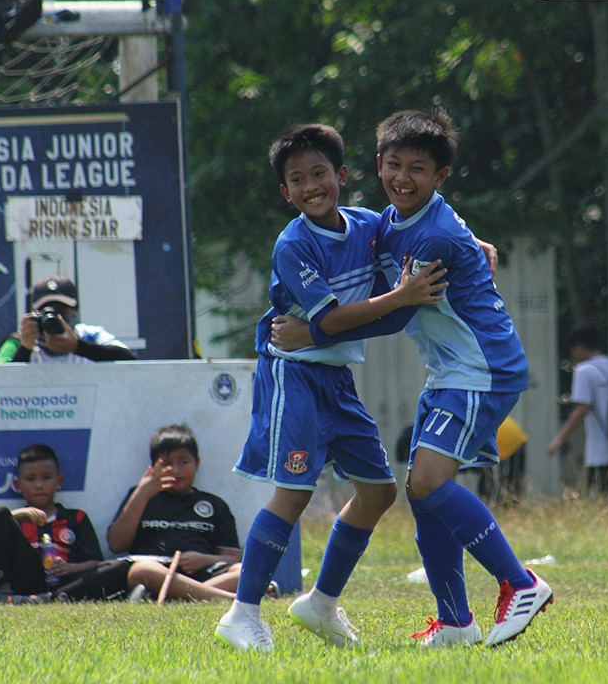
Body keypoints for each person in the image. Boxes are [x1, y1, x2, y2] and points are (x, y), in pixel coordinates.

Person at [273, 110, 552, 648]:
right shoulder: (393, 219)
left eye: (417, 169)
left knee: (426, 482)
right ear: (378, 163)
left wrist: (312, 333)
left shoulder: (433, 236)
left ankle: (521, 583)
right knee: (422, 494)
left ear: (440, 177)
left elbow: (398, 313)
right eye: (394, 165)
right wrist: (477, 243)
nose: (403, 178)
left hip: (482, 370)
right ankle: (455, 623)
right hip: (451, 371)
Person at [214, 123, 449, 653]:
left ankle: (320, 604)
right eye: (297, 179)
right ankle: (241, 613)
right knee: (295, 492)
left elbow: (423, 227)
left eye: (319, 173)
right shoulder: (293, 245)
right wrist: (402, 295)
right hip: (292, 376)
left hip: (336, 378)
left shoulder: (368, 224)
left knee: (379, 491)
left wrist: (471, 242)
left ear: (341, 175)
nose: (310, 186)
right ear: (286, 192)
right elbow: (333, 320)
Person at [0, 443, 130, 602]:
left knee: (120, 568)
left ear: (59, 481)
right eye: (30, 479)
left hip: (68, 583)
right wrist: (13, 516)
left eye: (46, 478)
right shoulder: (14, 521)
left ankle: (52, 599)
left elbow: (95, 563)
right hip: (26, 583)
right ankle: (6, 597)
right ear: (17, 485)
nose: (39, 485)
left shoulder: (77, 517)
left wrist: (69, 568)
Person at [108, 424, 246, 604]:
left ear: (197, 463)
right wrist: (141, 494)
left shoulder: (215, 504)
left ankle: (179, 595)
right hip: (156, 570)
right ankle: (227, 598)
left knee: (243, 572)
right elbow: (116, 544)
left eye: (183, 462)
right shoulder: (140, 496)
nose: (176, 470)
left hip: (204, 574)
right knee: (142, 571)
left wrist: (205, 559)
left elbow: (233, 557)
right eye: (167, 464)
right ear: (153, 467)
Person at [547, 323, 608, 499]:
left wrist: (559, 439)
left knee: (600, 497)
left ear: (579, 347)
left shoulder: (584, 371)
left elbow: (582, 408)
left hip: (600, 449)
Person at [0, 276, 137, 364]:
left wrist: (77, 347)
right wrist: (25, 350)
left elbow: (130, 360)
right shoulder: (18, 341)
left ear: (75, 312)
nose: (55, 317)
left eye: (62, 310)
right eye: (46, 311)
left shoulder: (90, 335)